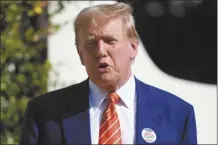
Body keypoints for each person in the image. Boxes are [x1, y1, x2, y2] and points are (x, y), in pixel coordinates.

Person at [19, 2, 197, 145]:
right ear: (81, 55)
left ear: (133, 48)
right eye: (91, 44)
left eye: (110, 41)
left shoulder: (177, 114)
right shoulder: (44, 113)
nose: (100, 51)